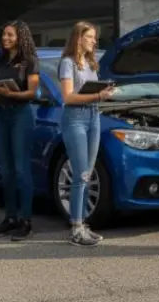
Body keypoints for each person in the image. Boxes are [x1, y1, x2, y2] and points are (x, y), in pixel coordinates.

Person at [58, 21, 114, 247]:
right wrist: (98, 96)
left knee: (88, 174)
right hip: (75, 118)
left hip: (93, 116)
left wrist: (105, 93)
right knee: (80, 173)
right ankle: (76, 228)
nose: (94, 41)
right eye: (90, 37)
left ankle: (83, 224)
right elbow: (68, 96)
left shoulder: (91, 63)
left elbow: (92, 91)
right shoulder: (67, 63)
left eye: (94, 37)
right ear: (78, 38)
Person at [0, 20, 40, 241]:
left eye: (10, 35)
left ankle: (25, 220)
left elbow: (32, 93)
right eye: (4, 34)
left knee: (21, 169)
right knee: (6, 170)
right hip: (2, 115)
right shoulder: (0, 60)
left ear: (20, 37)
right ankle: (10, 218)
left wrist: (9, 93)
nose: (5, 38)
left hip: (21, 115)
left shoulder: (29, 61)